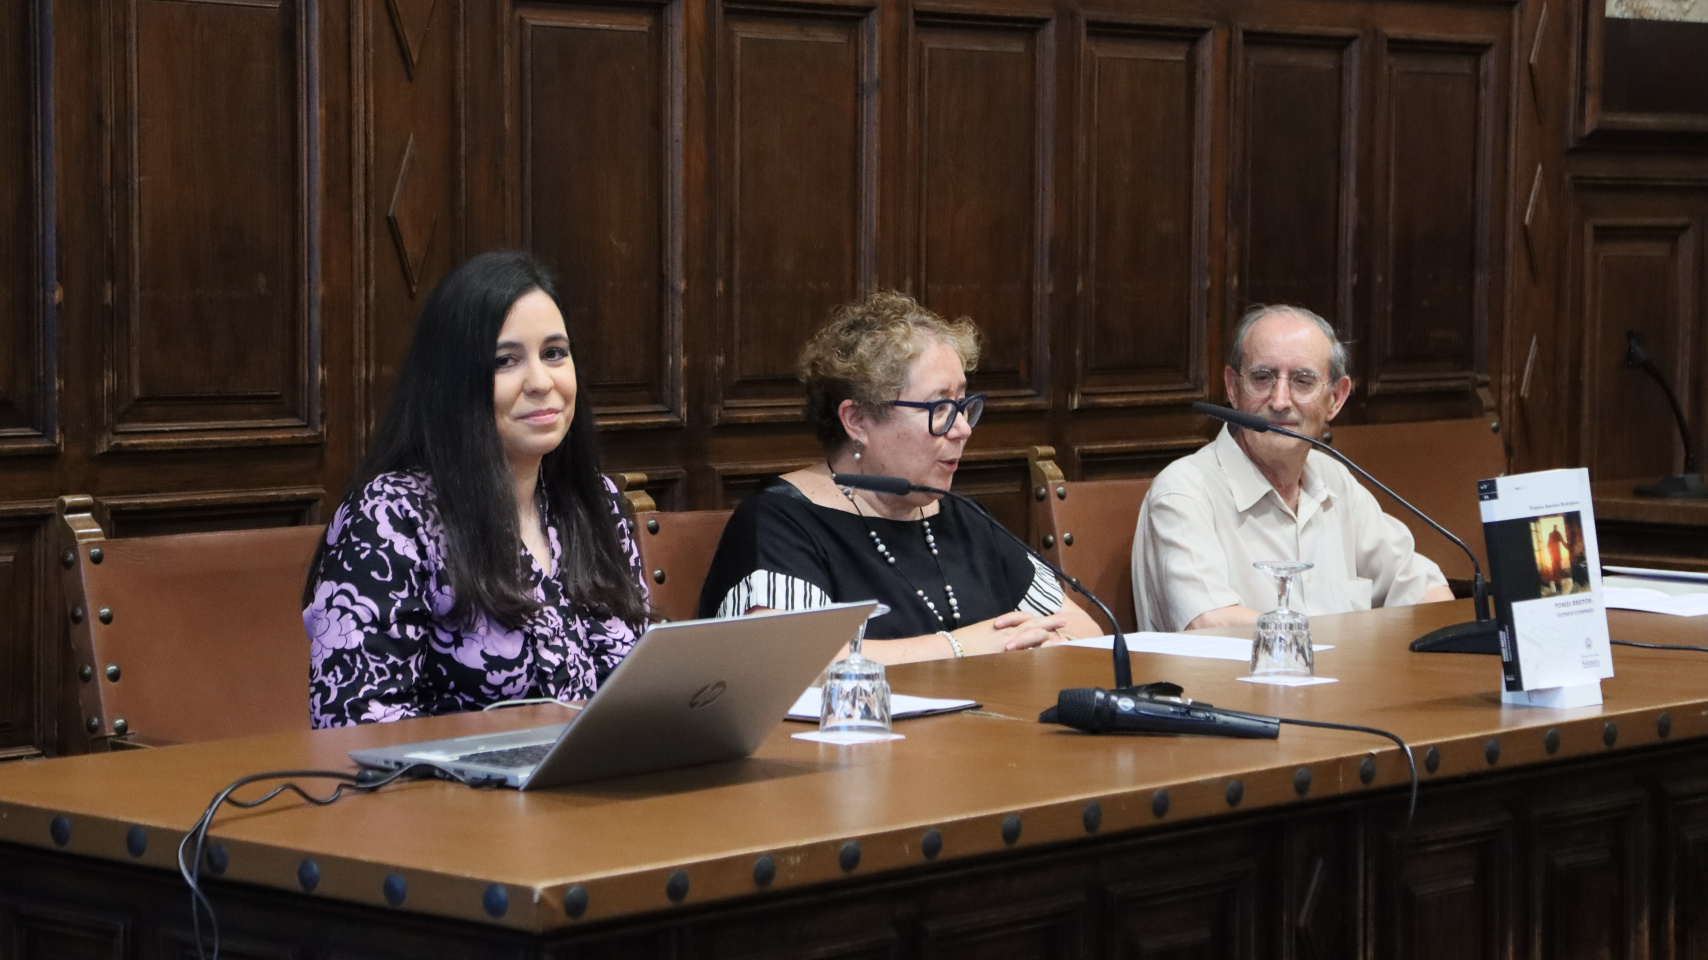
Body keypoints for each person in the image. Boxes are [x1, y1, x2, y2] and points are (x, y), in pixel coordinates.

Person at [303, 251, 650, 727]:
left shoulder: (597, 502)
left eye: (554, 353)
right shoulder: (391, 518)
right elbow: (353, 726)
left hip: (599, 789)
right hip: (453, 796)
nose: (541, 382)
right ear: (454, 383)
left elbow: (641, 690)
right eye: (506, 361)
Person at [699, 291, 1103, 663]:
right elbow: (787, 661)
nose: (962, 428)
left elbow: (1087, 631)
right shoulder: (780, 522)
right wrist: (962, 647)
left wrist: (1040, 644)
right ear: (857, 420)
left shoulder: (965, 518)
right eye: (939, 407)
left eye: (963, 404)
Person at [1132, 304, 1454, 632]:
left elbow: (1427, 591)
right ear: (1232, 388)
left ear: (1336, 398)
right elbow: (1211, 623)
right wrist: (1342, 645)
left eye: (1302, 381)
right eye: (1262, 378)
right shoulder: (1184, 492)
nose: (1280, 401)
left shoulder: (1333, 479)